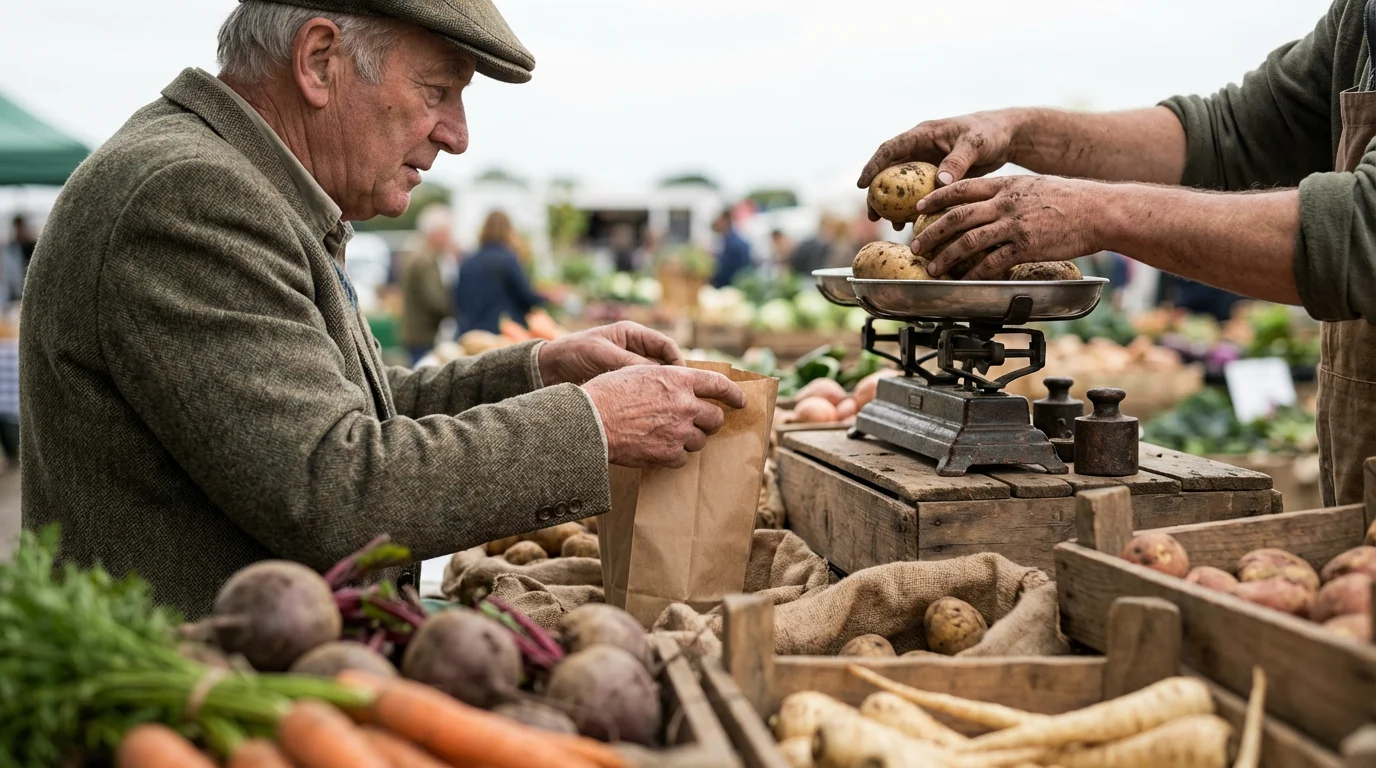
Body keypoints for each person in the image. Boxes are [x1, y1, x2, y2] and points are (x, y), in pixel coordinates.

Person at [19, 0, 746, 617]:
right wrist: (592, 423)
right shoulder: (188, 197)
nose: (458, 135)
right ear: (320, 60)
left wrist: (540, 369)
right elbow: (334, 486)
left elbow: (348, 412)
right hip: (188, 719)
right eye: (438, 91)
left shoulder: (247, 187)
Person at [858, 0, 1376, 506]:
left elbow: (1362, 230)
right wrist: (1015, 130)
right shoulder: (1357, 15)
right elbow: (1223, 136)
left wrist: (1098, 212)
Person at [454, 210, 548, 335]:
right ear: (509, 231)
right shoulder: (508, 259)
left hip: (470, 332)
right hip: (501, 332)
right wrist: (548, 298)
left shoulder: (468, 261)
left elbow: (458, 298)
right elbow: (525, 296)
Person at [400, 203, 457, 363]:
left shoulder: (421, 254)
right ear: (436, 233)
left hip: (417, 333)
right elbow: (435, 300)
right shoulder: (425, 260)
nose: (449, 238)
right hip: (422, 335)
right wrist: (457, 309)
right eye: (447, 232)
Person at [710, 209, 753, 288]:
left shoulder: (734, 243)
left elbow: (726, 271)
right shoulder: (728, 240)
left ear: (725, 220)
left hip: (732, 287)